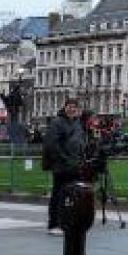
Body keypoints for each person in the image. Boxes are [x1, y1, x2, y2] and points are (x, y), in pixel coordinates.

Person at [43, 98, 87, 235]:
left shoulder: (77, 123)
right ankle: (54, 223)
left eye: (75, 107)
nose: (72, 109)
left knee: (73, 195)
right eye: (70, 106)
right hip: (62, 165)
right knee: (58, 194)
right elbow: (51, 144)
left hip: (75, 164)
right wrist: (64, 159)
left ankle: (67, 221)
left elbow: (80, 142)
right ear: (65, 107)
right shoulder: (57, 122)